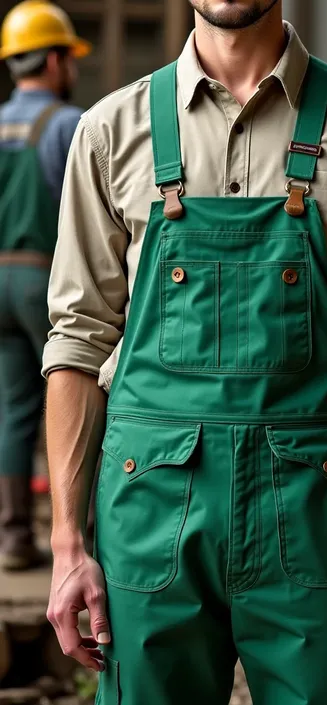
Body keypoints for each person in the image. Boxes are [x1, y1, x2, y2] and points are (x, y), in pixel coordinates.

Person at [44, 2, 327, 703]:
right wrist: (65, 545)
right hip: (149, 512)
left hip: (316, 513)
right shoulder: (110, 132)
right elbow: (78, 340)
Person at [0, 0, 90, 571]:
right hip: (45, 276)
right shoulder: (66, 124)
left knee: (12, 409)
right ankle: (82, 541)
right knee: (76, 401)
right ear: (55, 59)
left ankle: (12, 537)